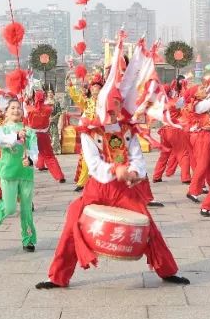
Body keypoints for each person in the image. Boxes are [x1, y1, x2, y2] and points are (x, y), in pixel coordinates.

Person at [36, 87, 189, 289]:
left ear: (120, 106)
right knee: (73, 222)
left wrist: (134, 172)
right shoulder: (89, 132)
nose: (111, 111)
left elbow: (137, 158)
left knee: (148, 227)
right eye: (107, 106)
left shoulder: (128, 130)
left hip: (124, 189)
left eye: (115, 105)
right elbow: (94, 165)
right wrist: (116, 169)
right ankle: (57, 276)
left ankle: (168, 270)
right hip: (98, 189)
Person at [0, 98, 39, 251]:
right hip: (8, 172)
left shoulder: (29, 131)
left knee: (27, 209)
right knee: (11, 209)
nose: (16, 110)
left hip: (26, 174)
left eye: (18, 108)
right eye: (12, 108)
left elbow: (34, 150)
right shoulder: (1, 129)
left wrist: (31, 160)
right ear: (6, 112)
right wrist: (17, 136)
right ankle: (2, 207)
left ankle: (28, 239)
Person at [185, 80, 210, 202]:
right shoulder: (197, 105)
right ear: (195, 94)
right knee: (202, 164)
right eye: (201, 89)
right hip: (201, 136)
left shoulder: (205, 102)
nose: (204, 90)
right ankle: (193, 191)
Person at [66, 72, 103, 190]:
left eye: (97, 87)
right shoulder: (87, 102)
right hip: (88, 134)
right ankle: (82, 183)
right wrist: (71, 86)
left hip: (102, 133)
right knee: (86, 157)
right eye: (93, 87)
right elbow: (76, 97)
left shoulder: (105, 102)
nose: (94, 89)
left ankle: (103, 181)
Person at [24, 89, 65, 183]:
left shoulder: (28, 108)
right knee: (49, 156)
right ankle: (59, 176)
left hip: (32, 135)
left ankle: (27, 176)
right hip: (43, 135)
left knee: (29, 155)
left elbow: (24, 120)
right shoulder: (48, 109)